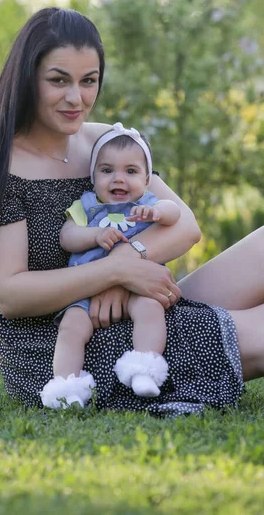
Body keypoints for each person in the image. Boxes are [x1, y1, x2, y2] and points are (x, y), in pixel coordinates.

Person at [0, 7, 264, 418]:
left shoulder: (103, 143)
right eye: (58, 80)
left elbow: (184, 225)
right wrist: (113, 274)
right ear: (28, 78)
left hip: (136, 307)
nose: (76, 98)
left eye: (88, 80)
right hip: (64, 347)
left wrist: (126, 262)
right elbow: (10, 295)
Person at [41, 123, 182, 408]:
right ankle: (67, 388)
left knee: (151, 309)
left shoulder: (146, 204)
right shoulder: (86, 206)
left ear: (146, 180)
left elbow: (175, 212)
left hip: (137, 287)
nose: (119, 179)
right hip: (86, 290)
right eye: (107, 171)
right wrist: (94, 234)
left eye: (131, 171)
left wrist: (156, 212)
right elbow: (66, 237)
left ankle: (145, 369)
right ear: (93, 178)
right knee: (71, 327)